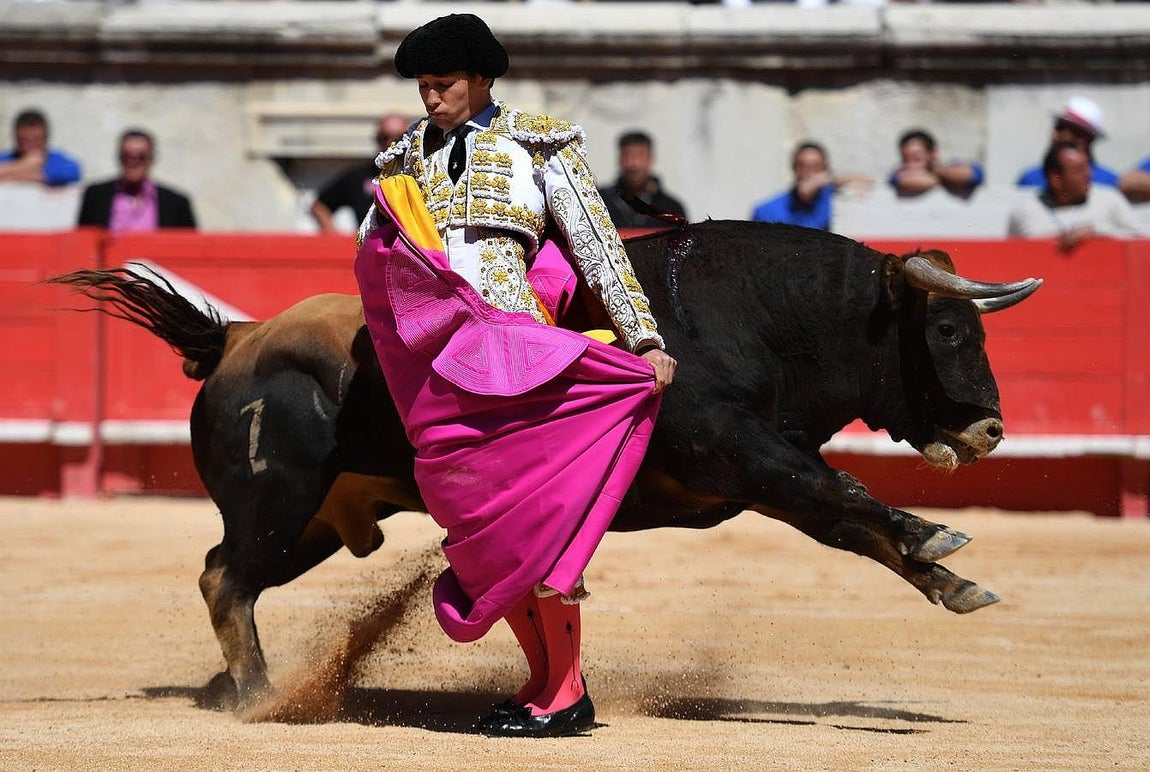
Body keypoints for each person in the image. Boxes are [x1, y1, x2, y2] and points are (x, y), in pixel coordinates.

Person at [353, 13, 676, 738]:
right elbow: (377, 260)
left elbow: (596, 245)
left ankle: (563, 693)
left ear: (481, 79)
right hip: (441, 366)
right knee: (486, 534)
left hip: (517, 355)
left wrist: (645, 337)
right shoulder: (400, 161)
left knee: (534, 526)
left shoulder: (538, 141)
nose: (431, 100)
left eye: (443, 86)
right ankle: (546, 682)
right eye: (424, 88)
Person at [1007, 141, 1144, 252]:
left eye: (1088, 167)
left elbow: (1142, 241)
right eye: (1079, 170)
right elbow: (1009, 255)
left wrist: (1097, 231)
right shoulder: (1024, 211)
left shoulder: (1110, 200)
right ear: (1056, 178)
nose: (1088, 175)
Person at [77, 129, 196, 230]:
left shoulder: (176, 203)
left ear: (152, 158)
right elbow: (83, 243)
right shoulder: (95, 196)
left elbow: (190, 249)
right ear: (119, 157)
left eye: (141, 157)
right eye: (127, 156)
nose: (133, 162)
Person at [310, 113, 410, 233]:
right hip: (372, 246)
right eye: (384, 138)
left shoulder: (420, 172)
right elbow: (320, 206)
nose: (390, 143)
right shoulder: (359, 176)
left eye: (397, 138)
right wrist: (335, 238)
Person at [750, 141, 870, 230]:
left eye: (815, 166)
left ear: (824, 169)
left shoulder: (834, 200)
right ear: (793, 168)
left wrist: (831, 180)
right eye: (802, 166)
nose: (808, 172)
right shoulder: (767, 210)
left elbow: (867, 182)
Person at [1015, 96, 1119, 189]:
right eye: (1058, 126)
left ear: (1085, 138)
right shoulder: (1031, 180)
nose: (1056, 134)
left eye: (1063, 128)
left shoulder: (1109, 184)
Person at [597, 130, 687, 229]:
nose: (634, 164)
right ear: (619, 159)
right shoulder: (601, 202)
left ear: (650, 159)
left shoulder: (671, 209)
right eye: (627, 156)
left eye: (640, 156)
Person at [889, 129, 984, 199]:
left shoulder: (949, 166)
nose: (910, 165)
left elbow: (972, 175)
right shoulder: (898, 173)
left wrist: (934, 171)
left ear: (933, 154)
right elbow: (904, 183)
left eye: (916, 159)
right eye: (905, 159)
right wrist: (948, 181)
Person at [0, 109, 81, 186]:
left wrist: (8, 174)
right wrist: (24, 165)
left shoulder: (58, 161)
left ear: (46, 139)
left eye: (37, 141)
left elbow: (73, 172)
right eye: (25, 141)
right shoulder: (5, 158)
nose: (31, 147)